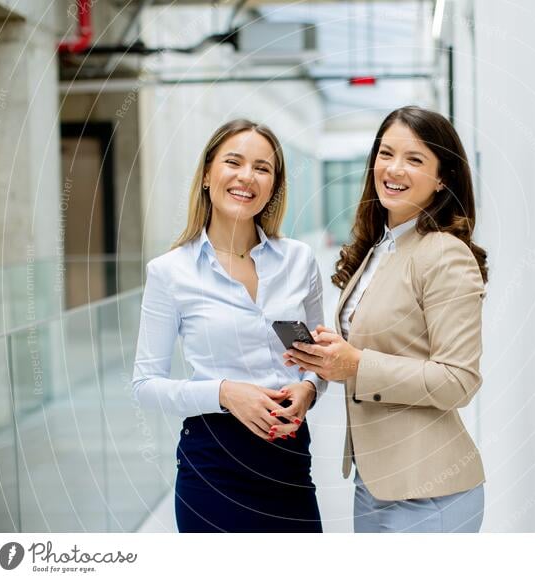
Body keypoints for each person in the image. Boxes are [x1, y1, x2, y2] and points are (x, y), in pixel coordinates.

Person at [284, 106, 488, 532]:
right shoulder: (381, 247)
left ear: (442, 178)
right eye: (386, 153)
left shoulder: (444, 253)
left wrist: (356, 364)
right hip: (375, 482)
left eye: (415, 159)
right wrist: (327, 358)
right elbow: (382, 348)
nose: (394, 169)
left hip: (429, 491)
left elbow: (458, 380)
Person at [132, 119, 326, 533]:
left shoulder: (298, 262)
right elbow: (145, 385)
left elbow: (314, 360)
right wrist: (224, 393)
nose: (246, 177)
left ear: (274, 185)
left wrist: (308, 387)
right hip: (213, 469)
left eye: (262, 167)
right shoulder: (172, 272)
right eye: (233, 162)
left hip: (289, 465)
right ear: (207, 174)